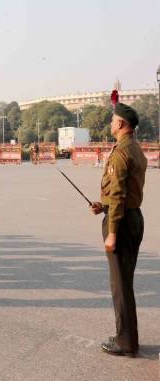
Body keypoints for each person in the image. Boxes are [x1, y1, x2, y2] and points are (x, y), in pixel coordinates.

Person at [89, 103, 146, 357]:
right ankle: (129, 338)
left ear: (122, 124)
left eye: (113, 120)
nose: (110, 124)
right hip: (132, 217)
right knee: (125, 283)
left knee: (120, 286)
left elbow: (121, 195)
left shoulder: (121, 153)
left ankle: (125, 342)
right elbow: (123, 193)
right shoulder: (135, 148)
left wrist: (111, 232)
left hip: (121, 222)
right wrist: (103, 205)